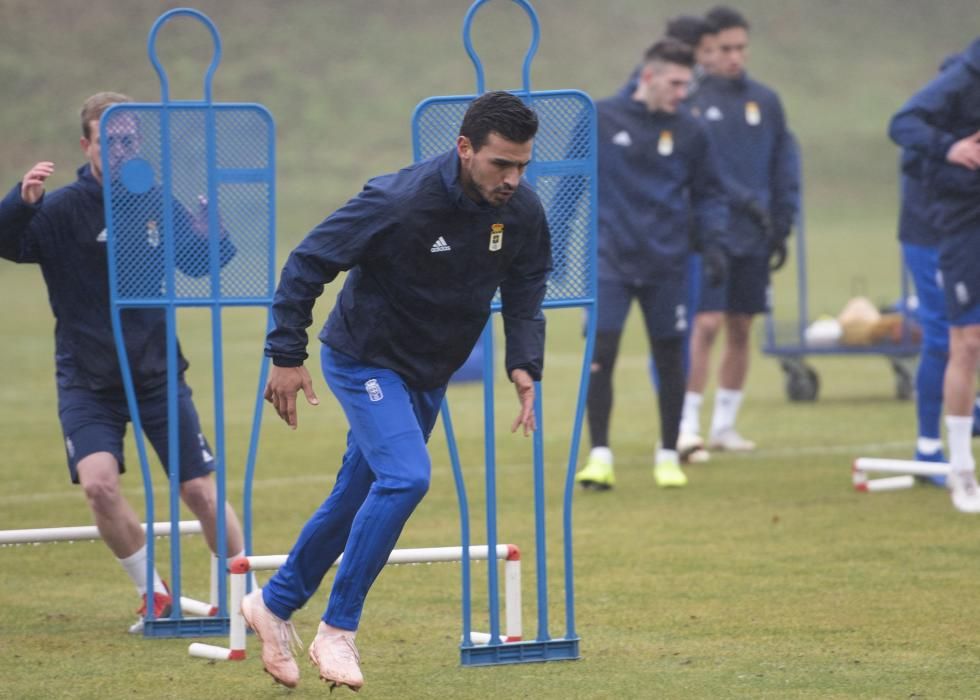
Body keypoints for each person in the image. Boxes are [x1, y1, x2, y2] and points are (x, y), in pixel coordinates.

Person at [241, 91, 551, 690]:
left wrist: (522, 362)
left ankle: (274, 604)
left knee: (358, 492)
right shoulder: (398, 200)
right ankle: (338, 629)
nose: (513, 179)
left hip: (426, 371)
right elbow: (309, 260)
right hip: (365, 359)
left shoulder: (521, 212)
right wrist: (285, 354)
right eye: (500, 164)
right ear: (465, 150)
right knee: (407, 477)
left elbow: (527, 280)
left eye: (522, 166)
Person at [0, 92, 249, 632]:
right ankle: (153, 594)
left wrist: (216, 232)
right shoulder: (61, 208)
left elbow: (202, 263)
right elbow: (7, 242)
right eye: (110, 140)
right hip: (88, 378)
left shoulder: (154, 200)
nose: (120, 149)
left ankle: (246, 595)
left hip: (156, 370)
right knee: (98, 485)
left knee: (200, 490)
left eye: (130, 140)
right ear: (87, 144)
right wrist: (21, 202)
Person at [573, 39, 728, 492]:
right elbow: (567, 186)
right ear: (648, 76)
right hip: (610, 263)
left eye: (688, 83)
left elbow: (710, 193)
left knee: (670, 357)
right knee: (600, 357)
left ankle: (667, 454)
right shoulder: (600, 118)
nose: (684, 92)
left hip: (668, 264)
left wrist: (713, 243)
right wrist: (555, 249)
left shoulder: (691, 131)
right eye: (676, 82)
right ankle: (599, 456)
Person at [678, 6, 800, 458]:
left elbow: (782, 163)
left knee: (742, 326)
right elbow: (697, 172)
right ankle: (685, 424)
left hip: (755, 233)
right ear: (706, 51)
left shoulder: (765, 101)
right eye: (724, 48)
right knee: (705, 323)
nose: (733, 57)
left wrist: (782, 220)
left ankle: (724, 425)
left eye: (740, 48)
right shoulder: (690, 101)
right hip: (710, 232)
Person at [888, 36, 980, 513]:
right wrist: (954, 151)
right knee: (948, 339)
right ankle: (933, 446)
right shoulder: (951, 95)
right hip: (936, 235)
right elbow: (907, 138)